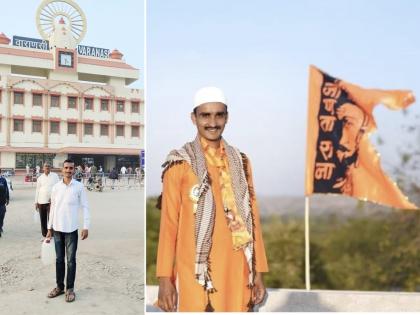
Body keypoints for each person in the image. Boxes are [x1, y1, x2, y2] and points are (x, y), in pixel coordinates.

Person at [156, 87, 268, 312]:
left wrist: (258, 273)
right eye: (205, 115)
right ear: (193, 118)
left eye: (219, 114)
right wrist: (164, 278)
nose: (213, 122)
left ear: (227, 117)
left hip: (238, 268)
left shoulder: (241, 161)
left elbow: (252, 219)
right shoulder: (180, 163)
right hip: (197, 270)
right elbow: (169, 225)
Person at [46, 159, 90, 303]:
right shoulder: (56, 188)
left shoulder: (79, 187)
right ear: (62, 170)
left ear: (74, 170)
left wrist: (86, 226)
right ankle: (60, 287)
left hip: (71, 229)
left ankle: (70, 289)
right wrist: (49, 228)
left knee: (71, 261)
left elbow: (85, 207)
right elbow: (52, 208)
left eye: (71, 168)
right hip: (57, 229)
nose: (68, 170)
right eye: (66, 168)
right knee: (59, 260)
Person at [34, 162, 59, 239]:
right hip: (41, 201)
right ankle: (45, 235)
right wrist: (36, 202)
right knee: (43, 219)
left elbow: (58, 187)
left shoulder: (55, 176)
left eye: (48, 166)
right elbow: (37, 190)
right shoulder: (40, 178)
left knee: (52, 219)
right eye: (46, 166)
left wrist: (55, 197)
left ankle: (52, 235)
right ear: (43, 168)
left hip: (52, 201)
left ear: (50, 167)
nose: (47, 167)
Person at [0, 169, 10, 238]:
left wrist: (8, 198)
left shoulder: (3, 180)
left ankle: (0, 226)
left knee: (2, 215)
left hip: (2, 202)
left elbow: (6, 189)